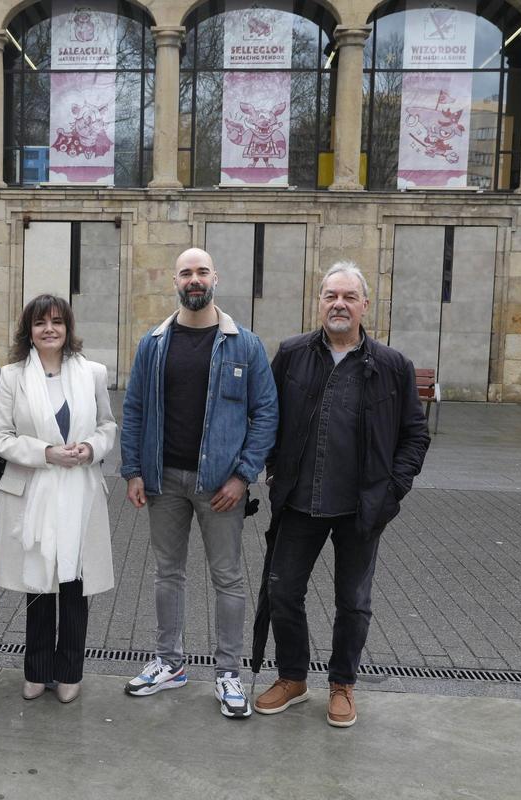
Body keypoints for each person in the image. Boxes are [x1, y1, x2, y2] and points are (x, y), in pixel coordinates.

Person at [258, 262, 430, 727]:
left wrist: (393, 491)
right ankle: (293, 677)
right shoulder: (292, 354)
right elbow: (266, 415)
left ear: (364, 306)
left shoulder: (392, 366)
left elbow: (415, 435)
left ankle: (342, 684)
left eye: (349, 297)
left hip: (361, 507)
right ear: (319, 302)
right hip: (298, 502)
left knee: (353, 602)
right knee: (283, 591)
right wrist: (273, 468)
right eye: (331, 295)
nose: (339, 304)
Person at [120, 247, 278, 718]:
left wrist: (242, 475)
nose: (194, 279)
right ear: (175, 281)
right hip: (163, 480)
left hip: (221, 487)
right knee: (167, 573)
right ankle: (170, 663)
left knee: (228, 578)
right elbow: (134, 411)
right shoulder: (153, 343)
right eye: (186, 272)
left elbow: (266, 413)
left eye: (202, 271)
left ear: (216, 278)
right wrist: (132, 471)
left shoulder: (244, 344)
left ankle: (228, 673)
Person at [0, 295, 117, 703]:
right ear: (29, 330)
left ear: (68, 328)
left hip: (79, 489)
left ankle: (70, 671)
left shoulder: (93, 373)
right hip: (35, 490)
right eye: (40, 323)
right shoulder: (12, 377)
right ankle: (37, 669)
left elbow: (107, 426)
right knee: (39, 581)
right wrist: (44, 453)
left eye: (57, 322)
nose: (49, 329)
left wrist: (91, 449)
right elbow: (0, 437)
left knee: (74, 583)